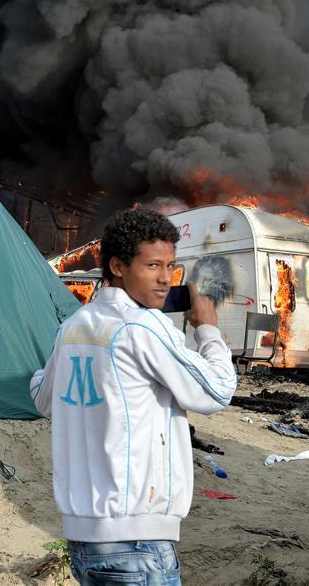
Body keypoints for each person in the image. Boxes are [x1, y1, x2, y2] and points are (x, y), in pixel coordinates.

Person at [31, 206, 237, 585]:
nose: (164, 279)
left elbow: (43, 399)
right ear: (118, 266)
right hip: (138, 542)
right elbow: (216, 390)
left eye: (171, 267)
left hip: (84, 542)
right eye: (152, 266)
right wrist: (207, 329)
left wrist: (50, 372)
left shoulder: (73, 328)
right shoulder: (143, 327)